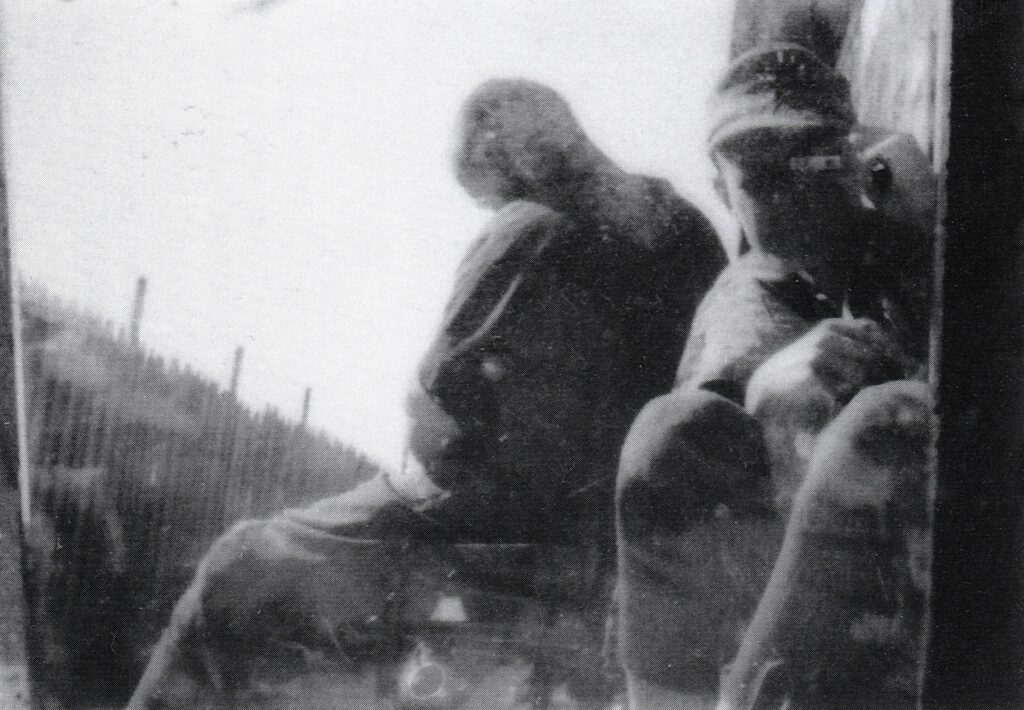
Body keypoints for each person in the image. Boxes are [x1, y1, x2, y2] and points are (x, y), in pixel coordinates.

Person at [125, 78, 726, 709]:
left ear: (511, 154)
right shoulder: (688, 230)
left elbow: (434, 426)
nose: (496, 210)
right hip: (620, 552)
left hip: (490, 540)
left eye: (492, 193)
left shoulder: (533, 228)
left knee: (238, 567)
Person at [614, 44, 934, 710]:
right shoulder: (741, 310)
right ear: (718, 186)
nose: (790, 194)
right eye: (759, 177)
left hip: (926, 586)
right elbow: (679, 479)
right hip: (795, 622)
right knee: (670, 430)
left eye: (812, 164)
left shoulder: (904, 245)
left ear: (848, 159)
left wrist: (929, 225)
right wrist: (764, 393)